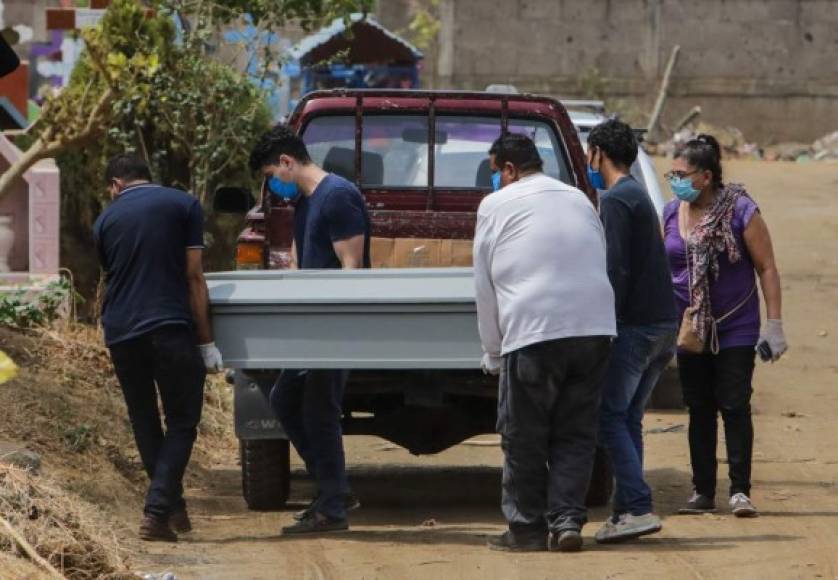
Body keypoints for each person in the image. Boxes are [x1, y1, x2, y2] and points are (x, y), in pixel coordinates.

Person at [474, 133, 616, 553]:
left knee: (524, 435)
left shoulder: (495, 205)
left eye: (494, 170)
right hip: (593, 328)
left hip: (534, 331)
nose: (493, 180)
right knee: (575, 432)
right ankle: (567, 522)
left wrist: (493, 350)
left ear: (510, 170)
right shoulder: (579, 198)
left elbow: (484, 285)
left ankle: (526, 530)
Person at [94, 154, 223, 542]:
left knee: (144, 419)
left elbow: (112, 275)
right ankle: (155, 512)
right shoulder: (183, 205)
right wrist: (207, 341)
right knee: (182, 420)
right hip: (170, 327)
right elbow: (194, 277)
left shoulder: (104, 220)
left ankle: (173, 506)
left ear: (116, 185)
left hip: (120, 331)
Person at [249, 125, 370, 535]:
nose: (272, 186)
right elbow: (302, 267)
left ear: (287, 162)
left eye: (270, 176)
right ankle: (333, 489)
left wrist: (336, 327)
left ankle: (333, 507)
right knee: (285, 398)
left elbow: (352, 270)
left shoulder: (338, 197)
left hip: (335, 326)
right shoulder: (304, 204)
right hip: (311, 325)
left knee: (319, 410)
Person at [663, 135, 788, 518]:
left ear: (705, 176)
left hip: (736, 325)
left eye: (681, 173)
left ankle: (739, 491)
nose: (675, 179)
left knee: (734, 405)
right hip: (691, 328)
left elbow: (766, 267)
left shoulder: (741, 211)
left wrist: (774, 324)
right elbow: (660, 268)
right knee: (699, 407)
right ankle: (702, 491)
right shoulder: (671, 213)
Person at [587, 120, 678, 543]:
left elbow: (615, 268)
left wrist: (604, 325)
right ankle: (627, 511)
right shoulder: (637, 193)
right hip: (662, 325)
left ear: (598, 154)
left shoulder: (617, 200)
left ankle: (638, 506)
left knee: (609, 418)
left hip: (636, 329)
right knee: (628, 419)